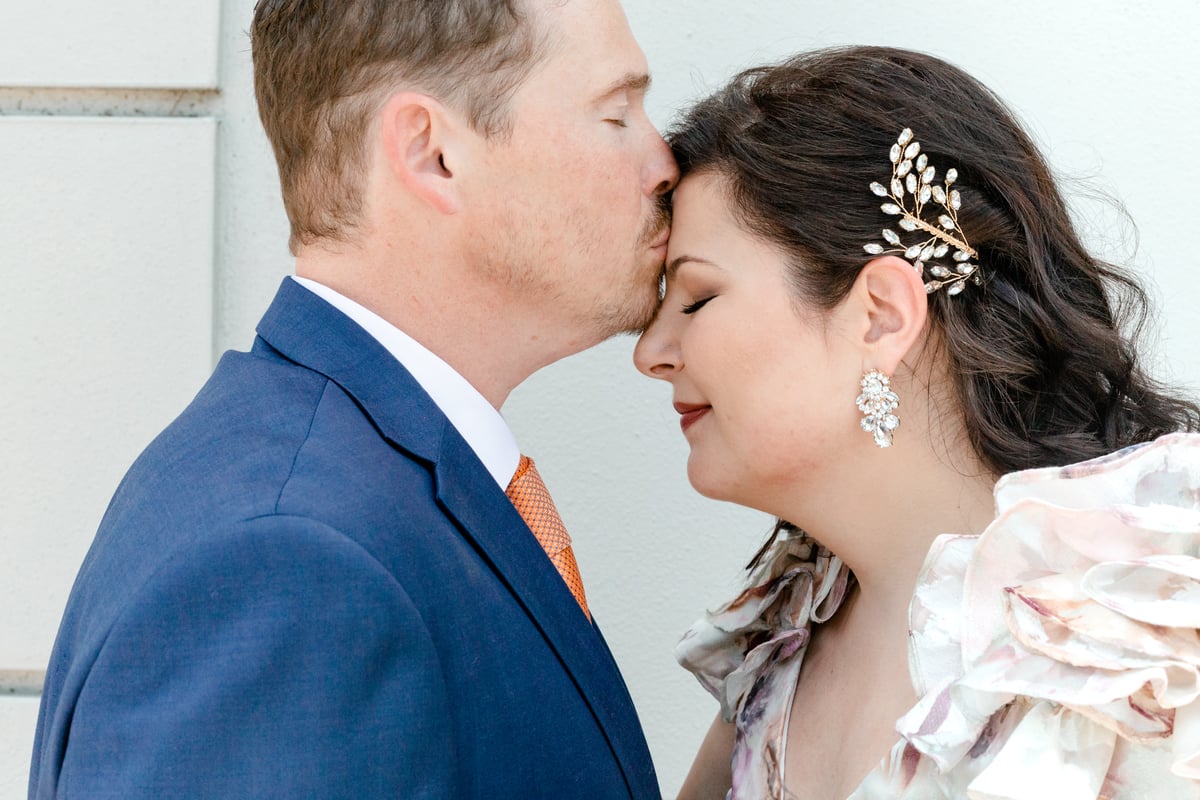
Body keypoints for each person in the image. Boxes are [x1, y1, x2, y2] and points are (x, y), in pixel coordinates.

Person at [29, 0, 676, 797]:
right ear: (433, 153)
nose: (666, 161)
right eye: (617, 114)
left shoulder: (338, 486)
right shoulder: (288, 561)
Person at [634, 46, 1200, 799]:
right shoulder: (774, 647)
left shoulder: (1142, 649)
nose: (651, 353)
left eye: (697, 298)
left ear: (881, 316)